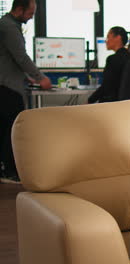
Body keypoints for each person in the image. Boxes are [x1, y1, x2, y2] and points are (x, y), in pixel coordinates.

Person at [0, 0, 52, 182]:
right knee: (12, 130)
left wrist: (27, 77)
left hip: (9, 83)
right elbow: (21, 57)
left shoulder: (8, 25)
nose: (31, 17)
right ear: (19, 9)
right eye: (30, 13)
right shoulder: (9, 27)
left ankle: (6, 169)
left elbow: (11, 60)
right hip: (7, 87)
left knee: (6, 129)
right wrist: (40, 78)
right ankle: (10, 171)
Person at [88, 26, 130, 103]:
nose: (106, 41)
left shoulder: (113, 59)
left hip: (114, 104)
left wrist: (89, 100)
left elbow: (106, 87)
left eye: (108, 37)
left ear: (118, 38)